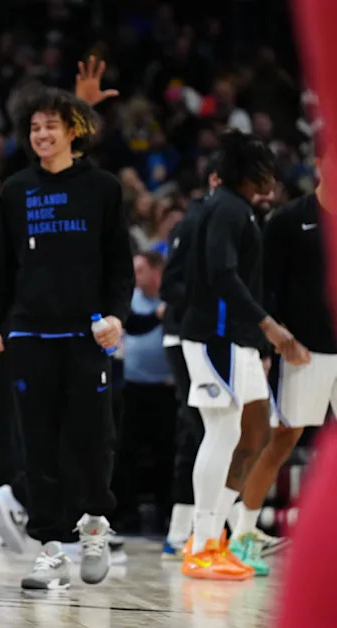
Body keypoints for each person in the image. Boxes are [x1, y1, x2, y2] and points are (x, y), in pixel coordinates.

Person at [0, 88, 134, 590]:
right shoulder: (18, 189)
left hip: (86, 334)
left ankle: (93, 526)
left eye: (51, 125)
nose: (41, 135)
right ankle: (49, 550)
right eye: (34, 127)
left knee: (92, 438)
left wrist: (116, 316)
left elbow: (120, 267)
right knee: (38, 444)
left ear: (74, 131)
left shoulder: (104, 188)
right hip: (28, 333)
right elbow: (2, 266)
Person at [179, 130, 309, 581]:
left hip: (239, 339)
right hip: (218, 336)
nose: (271, 184)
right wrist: (268, 326)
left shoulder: (241, 211)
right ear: (244, 172)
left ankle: (217, 537)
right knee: (222, 430)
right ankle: (199, 544)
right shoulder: (226, 209)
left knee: (256, 431)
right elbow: (222, 274)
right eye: (264, 174)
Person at [228, 152, 337, 571]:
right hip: (304, 353)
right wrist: (274, 340)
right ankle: (243, 535)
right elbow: (265, 287)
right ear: (319, 163)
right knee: (281, 442)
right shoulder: (290, 220)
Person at [158, 162, 218, 559]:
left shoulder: (223, 217)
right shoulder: (195, 222)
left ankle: (198, 527)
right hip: (185, 337)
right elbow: (170, 286)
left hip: (208, 338)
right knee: (197, 429)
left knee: (207, 431)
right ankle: (183, 530)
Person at [113, 251, 176, 534]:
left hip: (166, 390)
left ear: (156, 272)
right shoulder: (131, 301)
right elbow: (135, 326)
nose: (135, 277)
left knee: (166, 454)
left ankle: (167, 516)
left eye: (140, 271)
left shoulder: (174, 297)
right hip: (133, 389)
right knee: (127, 454)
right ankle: (126, 515)